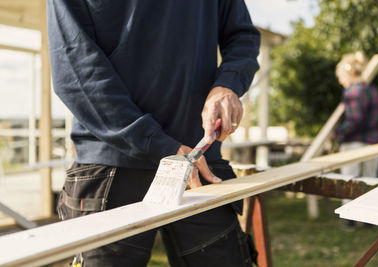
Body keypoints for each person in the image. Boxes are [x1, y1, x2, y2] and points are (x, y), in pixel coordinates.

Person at [47, 0, 260, 266]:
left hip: (200, 162)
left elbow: (242, 36)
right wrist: (159, 145)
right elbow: (74, 68)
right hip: (113, 166)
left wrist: (227, 84)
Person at [335, 51, 378, 229]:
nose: (340, 81)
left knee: (350, 180)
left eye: (340, 76)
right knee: (370, 179)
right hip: (373, 141)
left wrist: (339, 133)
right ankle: (369, 218)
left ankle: (350, 219)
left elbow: (355, 119)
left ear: (348, 73)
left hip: (354, 142)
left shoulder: (354, 91)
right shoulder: (374, 90)